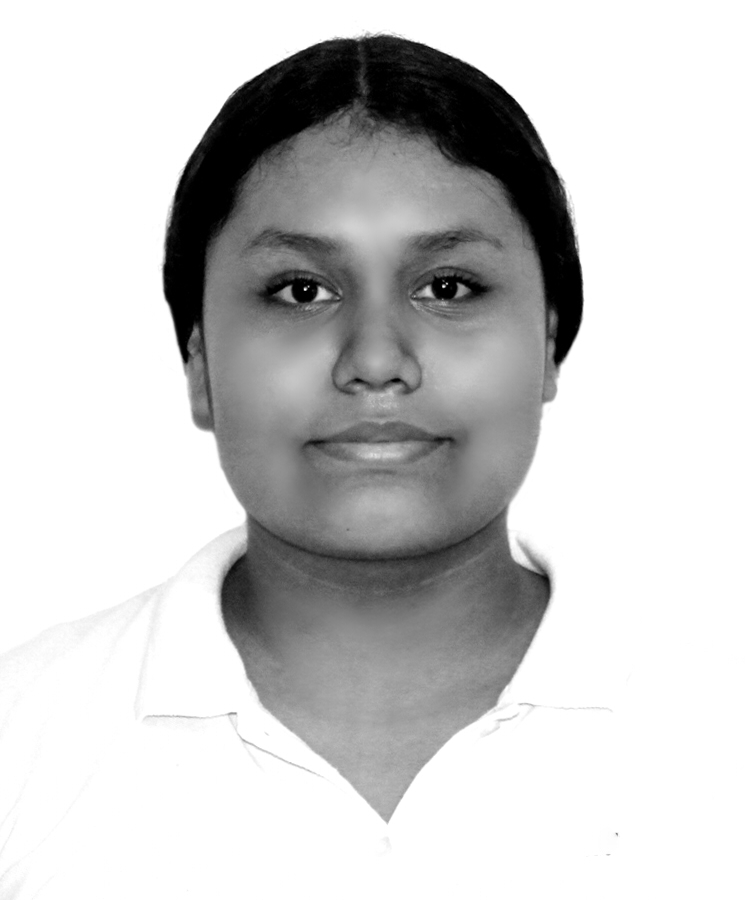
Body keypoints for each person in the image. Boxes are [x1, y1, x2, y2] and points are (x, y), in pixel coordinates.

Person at [0, 33, 621, 897]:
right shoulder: (21, 739)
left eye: (447, 287)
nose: (376, 359)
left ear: (548, 345)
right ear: (200, 365)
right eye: (301, 290)